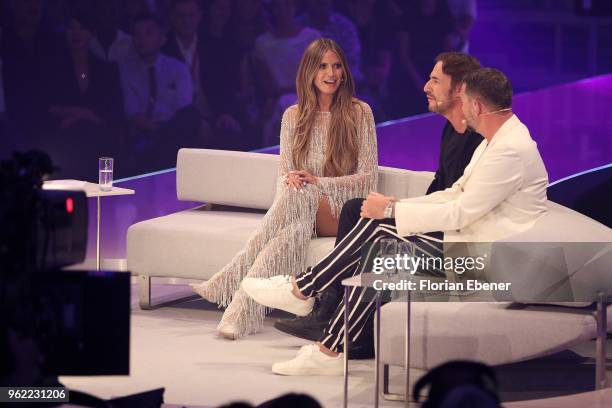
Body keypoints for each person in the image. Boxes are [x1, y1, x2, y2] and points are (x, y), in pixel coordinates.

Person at [243, 67, 549, 375]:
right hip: (469, 245)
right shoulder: (494, 141)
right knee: (381, 252)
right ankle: (327, 346)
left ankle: (303, 291)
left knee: (378, 236)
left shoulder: (509, 150)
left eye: (464, 100)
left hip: (486, 260)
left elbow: (461, 212)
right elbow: (455, 194)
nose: (462, 107)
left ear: (477, 106)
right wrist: (396, 204)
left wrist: (390, 212)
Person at [273, 52, 483, 351]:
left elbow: (459, 206)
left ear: (459, 87)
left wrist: (397, 211)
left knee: (376, 227)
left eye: (435, 80)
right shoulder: (451, 129)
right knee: (353, 209)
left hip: (450, 236)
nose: (425, 86)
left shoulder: (478, 141)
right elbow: (441, 186)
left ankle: (309, 293)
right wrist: (402, 208)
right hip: (434, 219)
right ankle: (328, 311)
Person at [190, 38, 378, 340]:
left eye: (337, 66)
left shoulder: (359, 112)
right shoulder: (293, 116)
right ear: (309, 72)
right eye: (322, 66)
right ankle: (237, 315)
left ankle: (230, 276)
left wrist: (318, 183)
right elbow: (283, 177)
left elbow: (369, 179)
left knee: (299, 194)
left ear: (344, 71)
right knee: (292, 231)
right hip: (301, 209)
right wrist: (293, 181)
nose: (331, 73)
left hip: (342, 211)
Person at [43, 11, 124, 181]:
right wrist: (79, 112)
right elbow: (46, 106)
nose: (76, 33)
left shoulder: (107, 70)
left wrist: (84, 115)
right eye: (72, 28)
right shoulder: (53, 68)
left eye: (81, 28)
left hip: (99, 140)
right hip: (65, 139)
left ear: (91, 33)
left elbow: (114, 111)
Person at [119, 13, 201, 173]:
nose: (142, 39)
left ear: (162, 39)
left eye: (149, 33)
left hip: (174, 131)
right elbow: (132, 112)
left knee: (190, 117)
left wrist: (165, 130)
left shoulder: (177, 68)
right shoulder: (127, 70)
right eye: (137, 34)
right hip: (145, 133)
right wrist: (155, 129)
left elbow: (184, 106)